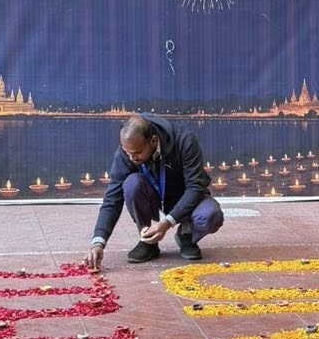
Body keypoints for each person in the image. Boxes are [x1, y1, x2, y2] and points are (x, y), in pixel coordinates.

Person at [85, 114, 223, 268]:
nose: (131, 158)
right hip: (154, 197)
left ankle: (187, 234)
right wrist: (98, 242)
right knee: (132, 184)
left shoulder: (184, 140)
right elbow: (112, 199)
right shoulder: (128, 152)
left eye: (136, 153)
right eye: (127, 153)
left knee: (211, 215)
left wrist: (167, 223)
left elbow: (195, 187)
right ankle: (147, 239)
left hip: (185, 197)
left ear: (153, 141)